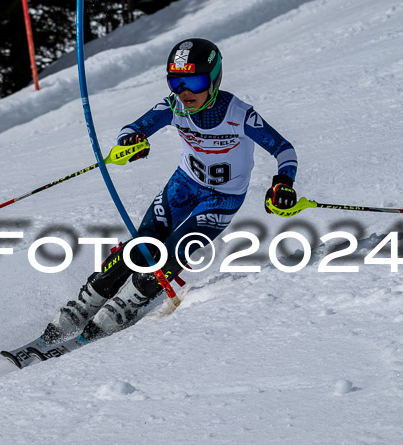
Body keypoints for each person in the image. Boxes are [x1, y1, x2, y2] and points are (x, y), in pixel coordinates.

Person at [40, 38, 298, 344]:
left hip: (222, 198)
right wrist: (131, 142)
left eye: (194, 82)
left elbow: (284, 149)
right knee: (144, 243)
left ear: (214, 81)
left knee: (176, 249)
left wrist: (283, 182)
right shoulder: (173, 106)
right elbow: (132, 128)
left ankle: (126, 305)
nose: (184, 92)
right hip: (184, 184)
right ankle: (85, 303)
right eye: (176, 82)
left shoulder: (239, 114)